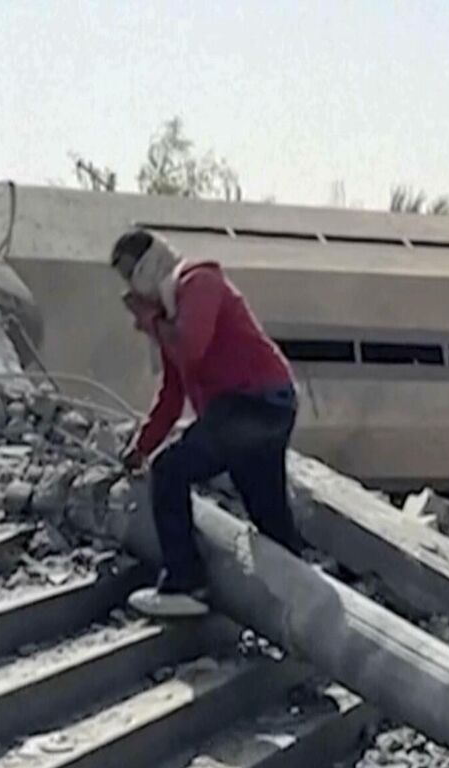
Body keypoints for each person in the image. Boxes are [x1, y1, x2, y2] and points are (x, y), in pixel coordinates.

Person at [112, 229, 306, 618]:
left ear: (148, 267)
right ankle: (299, 602)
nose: (129, 291)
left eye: (130, 275)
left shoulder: (198, 281)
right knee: (267, 514)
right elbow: (172, 394)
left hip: (251, 404)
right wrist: (141, 447)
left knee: (170, 471)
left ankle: (186, 582)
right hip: (258, 408)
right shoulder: (171, 312)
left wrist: (150, 320)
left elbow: (191, 347)